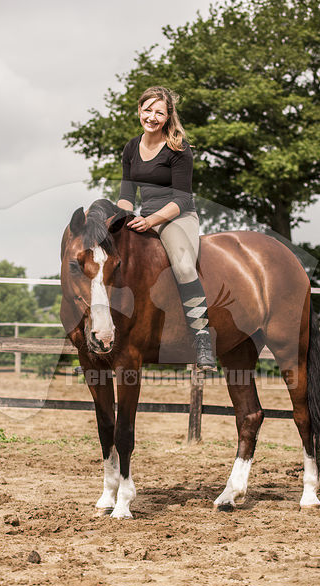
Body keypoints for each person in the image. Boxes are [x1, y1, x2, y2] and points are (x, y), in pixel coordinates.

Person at [117, 85, 216, 371]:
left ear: (167, 116)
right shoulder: (130, 148)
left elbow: (182, 199)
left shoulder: (179, 148)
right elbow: (126, 196)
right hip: (143, 217)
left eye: (159, 112)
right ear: (139, 110)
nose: (151, 116)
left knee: (184, 267)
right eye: (147, 110)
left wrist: (150, 221)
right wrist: (119, 219)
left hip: (176, 218)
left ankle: (202, 338)